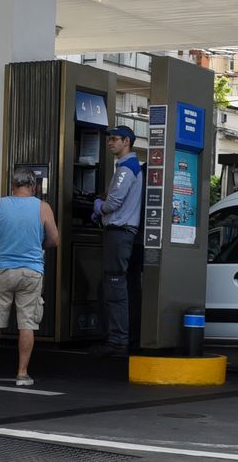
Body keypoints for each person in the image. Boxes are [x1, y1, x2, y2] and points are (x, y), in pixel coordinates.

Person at [0, 169, 60, 387]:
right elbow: (54, 240)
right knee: (27, 324)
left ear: (12, 185)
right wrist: (38, 246)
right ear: (34, 186)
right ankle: (22, 374)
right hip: (31, 271)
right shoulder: (43, 207)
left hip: (2, 270)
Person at [90, 125, 145, 357]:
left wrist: (98, 206)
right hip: (128, 234)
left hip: (119, 232)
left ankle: (117, 341)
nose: (110, 143)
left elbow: (113, 203)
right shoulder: (132, 167)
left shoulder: (126, 168)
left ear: (127, 141)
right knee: (124, 286)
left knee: (114, 288)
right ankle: (126, 338)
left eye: (115, 139)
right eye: (109, 139)